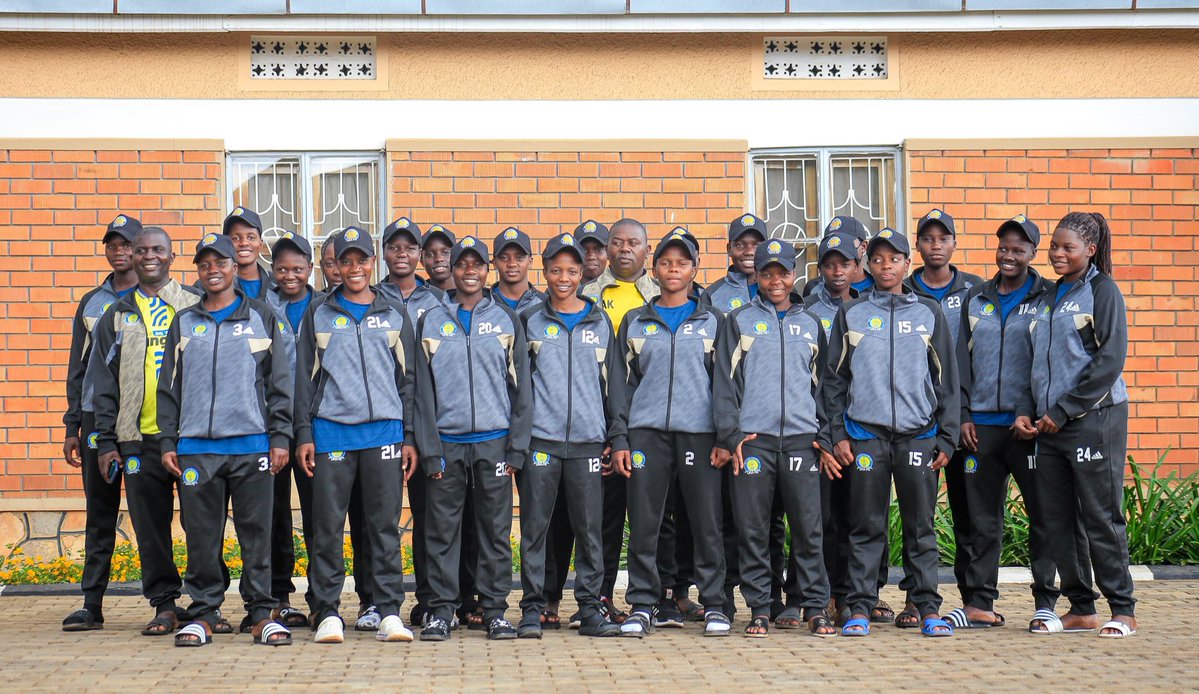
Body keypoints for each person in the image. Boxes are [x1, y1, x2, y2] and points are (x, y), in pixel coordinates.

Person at [157, 233, 294, 647]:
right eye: (205, 264)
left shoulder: (262, 316)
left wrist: (280, 436)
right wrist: (168, 441)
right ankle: (203, 613)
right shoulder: (184, 322)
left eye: (221, 263)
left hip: (252, 446)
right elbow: (169, 388)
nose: (213, 270)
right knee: (202, 537)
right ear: (198, 271)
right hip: (197, 449)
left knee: (257, 535)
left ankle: (260, 614)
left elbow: (279, 383)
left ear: (236, 267)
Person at [823, 228, 960, 638]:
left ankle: (927, 606)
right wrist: (839, 434)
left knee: (921, 527)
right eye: (879, 259)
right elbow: (834, 380)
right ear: (868, 265)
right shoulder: (852, 314)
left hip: (919, 435)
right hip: (866, 434)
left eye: (894, 259)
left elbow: (946, 379)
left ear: (907, 263)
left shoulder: (928, 313)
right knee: (866, 526)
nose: (886, 266)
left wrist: (947, 435)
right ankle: (860, 607)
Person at [294, 225, 421, 645]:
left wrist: (408, 436)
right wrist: (304, 433)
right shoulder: (319, 312)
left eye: (361, 260)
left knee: (383, 528)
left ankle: (388, 612)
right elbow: (304, 380)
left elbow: (408, 380)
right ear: (334, 265)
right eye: (345, 261)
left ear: (373, 262)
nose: (353, 268)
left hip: (384, 433)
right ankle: (328, 611)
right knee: (328, 528)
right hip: (331, 433)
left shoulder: (394, 313)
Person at [1021, 212, 1136, 639]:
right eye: (1054, 246)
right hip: (1049, 426)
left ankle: (1123, 609)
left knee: (1101, 515)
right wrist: (1028, 410)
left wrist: (1064, 409)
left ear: (1090, 249)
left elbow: (1110, 360)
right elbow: (1034, 363)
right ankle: (1082, 607)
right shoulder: (1049, 296)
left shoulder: (1102, 291)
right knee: (1058, 519)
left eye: (1067, 247)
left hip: (1094, 420)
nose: (1057, 253)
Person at [713, 239, 836, 639]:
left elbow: (825, 387)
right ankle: (761, 608)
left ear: (794, 274)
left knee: (808, 529)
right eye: (767, 273)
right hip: (754, 442)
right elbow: (725, 384)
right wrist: (731, 434)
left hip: (802, 440)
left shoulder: (811, 323)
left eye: (783, 273)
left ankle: (815, 607)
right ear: (758, 277)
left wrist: (824, 435)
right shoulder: (739, 321)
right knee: (753, 530)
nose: (776, 281)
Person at [413, 235, 533, 642]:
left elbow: (521, 389)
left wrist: (516, 446)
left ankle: (495, 610)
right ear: (452, 269)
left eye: (476, 265)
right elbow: (422, 393)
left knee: (494, 530)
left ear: (487, 269)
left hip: (495, 441)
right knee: (442, 531)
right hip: (447, 443)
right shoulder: (432, 320)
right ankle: (441, 611)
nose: (469, 271)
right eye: (461, 264)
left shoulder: (505, 320)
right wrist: (430, 450)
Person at [948, 214, 1062, 631]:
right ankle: (979, 603)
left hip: (1028, 428)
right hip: (981, 429)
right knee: (981, 521)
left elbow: (1048, 361)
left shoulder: (1048, 298)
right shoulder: (976, 297)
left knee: (1043, 516)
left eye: (1018, 249)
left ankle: (1045, 603)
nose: (1008, 255)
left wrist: (1032, 412)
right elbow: (960, 364)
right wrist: (963, 415)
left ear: (1033, 253)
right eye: (1003, 248)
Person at [615, 233, 732, 638]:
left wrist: (725, 437)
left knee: (706, 522)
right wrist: (621, 438)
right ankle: (643, 604)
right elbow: (621, 386)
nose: (674, 270)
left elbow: (724, 383)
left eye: (682, 263)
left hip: (699, 434)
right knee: (645, 523)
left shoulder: (714, 321)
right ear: (655, 268)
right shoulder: (636, 321)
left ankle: (715, 603)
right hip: (646, 434)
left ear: (695, 269)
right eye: (666, 263)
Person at [90, 226, 201, 636]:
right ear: (133, 257)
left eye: (158, 249)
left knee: (201, 525)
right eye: (141, 250)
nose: (149, 256)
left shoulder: (195, 304)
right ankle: (165, 605)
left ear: (172, 256)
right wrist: (106, 440)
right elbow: (102, 383)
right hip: (137, 440)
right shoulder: (117, 314)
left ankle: (205, 603)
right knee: (150, 529)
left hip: (191, 438)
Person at [516, 232, 625, 639]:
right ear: (544, 273)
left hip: (587, 443)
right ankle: (532, 608)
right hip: (540, 443)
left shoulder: (599, 322)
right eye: (556, 270)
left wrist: (616, 436)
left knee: (589, 530)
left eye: (572, 271)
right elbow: (519, 386)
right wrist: (519, 441)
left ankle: (590, 608)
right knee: (535, 531)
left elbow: (614, 386)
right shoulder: (529, 320)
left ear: (582, 274)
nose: (564, 278)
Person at [61, 214, 142, 632]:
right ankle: (91, 603)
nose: (119, 251)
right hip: (96, 418)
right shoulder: (92, 302)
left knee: (151, 513)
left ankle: (167, 603)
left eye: (127, 244)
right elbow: (77, 367)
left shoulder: (161, 298)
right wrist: (72, 425)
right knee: (100, 511)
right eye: (113, 244)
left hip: (145, 417)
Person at [903, 208, 983, 628]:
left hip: (962, 417)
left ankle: (974, 599)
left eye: (943, 238)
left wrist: (964, 414)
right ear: (917, 246)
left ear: (954, 243)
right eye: (927, 238)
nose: (935, 245)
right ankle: (916, 599)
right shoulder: (903, 289)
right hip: (915, 421)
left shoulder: (975, 289)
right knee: (919, 516)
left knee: (969, 512)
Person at [580, 218, 658, 624]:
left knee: (654, 516)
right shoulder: (587, 295)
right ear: (607, 249)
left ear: (647, 249)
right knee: (604, 517)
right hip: (597, 416)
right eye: (617, 242)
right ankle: (601, 595)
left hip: (650, 419)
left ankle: (663, 597)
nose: (624, 249)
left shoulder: (663, 293)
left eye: (633, 243)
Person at [375, 215, 445, 627]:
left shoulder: (437, 300)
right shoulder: (371, 297)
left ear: (420, 254)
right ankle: (374, 601)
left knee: (428, 515)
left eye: (409, 247)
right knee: (378, 518)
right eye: (394, 247)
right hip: (383, 421)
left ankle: (429, 597)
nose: (402, 254)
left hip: (427, 420)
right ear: (384, 252)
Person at [263, 231, 325, 630]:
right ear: (273, 270)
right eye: (283, 269)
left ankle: (320, 599)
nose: (290, 275)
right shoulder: (262, 309)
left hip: (316, 426)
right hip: (273, 423)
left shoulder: (324, 307)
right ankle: (278, 597)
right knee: (274, 514)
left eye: (298, 268)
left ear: (310, 269)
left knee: (319, 516)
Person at [704, 213, 765, 313]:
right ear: (729, 249)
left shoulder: (779, 290)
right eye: (740, 245)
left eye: (757, 246)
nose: (749, 252)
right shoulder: (712, 295)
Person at [802, 216, 874, 298]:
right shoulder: (814, 288)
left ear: (863, 246)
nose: (838, 245)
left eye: (846, 242)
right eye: (831, 241)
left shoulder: (879, 287)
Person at [222, 207, 277, 300]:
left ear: (260, 244)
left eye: (251, 238)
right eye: (235, 238)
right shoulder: (210, 285)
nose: (244, 243)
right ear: (225, 244)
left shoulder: (278, 284)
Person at [492, 227, 546, 313]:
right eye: (504, 258)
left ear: (530, 262)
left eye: (519, 258)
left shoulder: (546, 305)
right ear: (494, 263)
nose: (512, 264)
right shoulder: (484, 303)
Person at [421, 224, 456, 292]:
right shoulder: (417, 295)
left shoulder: (470, 294)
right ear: (422, 261)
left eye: (445, 253)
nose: (439, 259)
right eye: (430, 255)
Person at [576, 219, 609, 284]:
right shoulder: (564, 288)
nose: (591, 257)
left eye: (598, 250)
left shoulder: (618, 287)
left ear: (608, 253)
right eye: (584, 250)